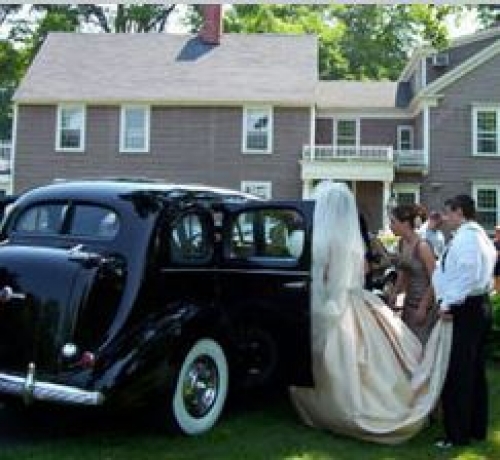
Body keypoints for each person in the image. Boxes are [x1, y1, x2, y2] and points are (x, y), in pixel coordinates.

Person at [289, 181, 452, 444]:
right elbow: (364, 270)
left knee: (331, 357)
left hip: (332, 303)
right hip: (354, 299)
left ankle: (330, 409)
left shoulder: (320, 242)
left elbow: (323, 276)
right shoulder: (352, 242)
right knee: (379, 356)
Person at [432, 194, 496, 448]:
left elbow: (466, 275)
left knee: (459, 373)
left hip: (467, 308)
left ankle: (457, 435)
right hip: (476, 306)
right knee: (474, 371)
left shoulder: (469, 238)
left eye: (448, 212)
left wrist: (447, 303)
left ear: (459, 212)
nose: (445, 218)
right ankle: (475, 428)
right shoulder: (477, 235)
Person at [388, 204, 438, 344]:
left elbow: (435, 278)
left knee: (420, 345)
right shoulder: (402, 243)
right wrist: (395, 293)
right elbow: (403, 271)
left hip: (424, 305)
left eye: (393, 222)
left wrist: (423, 306)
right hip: (409, 303)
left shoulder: (422, 246)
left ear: (405, 223)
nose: (390, 226)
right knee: (407, 345)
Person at [494, 225, 500, 293]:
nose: (497, 233)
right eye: (497, 231)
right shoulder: (494, 242)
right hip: (496, 262)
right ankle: (497, 290)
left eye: (498, 231)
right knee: (495, 276)